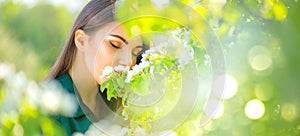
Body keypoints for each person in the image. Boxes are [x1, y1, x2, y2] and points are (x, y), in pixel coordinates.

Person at [47, 0, 145, 135]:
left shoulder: (122, 111)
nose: (127, 62)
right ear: (82, 40)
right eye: (115, 45)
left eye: (134, 53)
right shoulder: (48, 107)